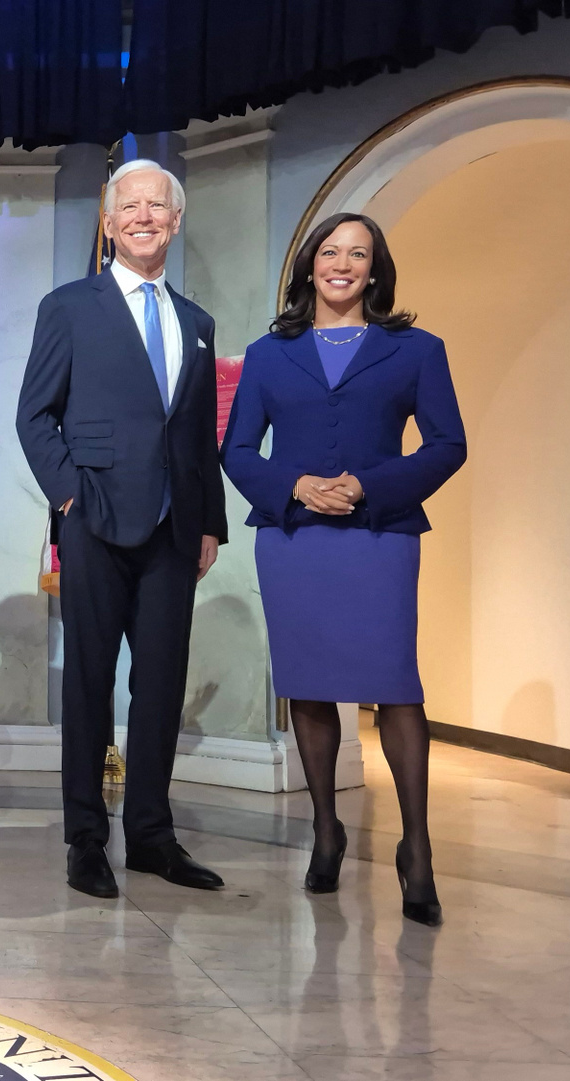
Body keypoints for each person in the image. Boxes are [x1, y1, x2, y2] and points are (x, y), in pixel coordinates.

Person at [221, 212, 464, 926]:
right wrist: (295, 485)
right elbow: (238, 451)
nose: (343, 264)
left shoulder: (417, 349)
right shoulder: (268, 354)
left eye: (359, 254)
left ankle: (416, 847)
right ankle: (326, 828)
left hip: (378, 536)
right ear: (309, 265)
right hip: (295, 539)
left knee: (397, 687)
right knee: (309, 684)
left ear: (375, 269)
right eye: (330, 251)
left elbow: (447, 444)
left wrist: (368, 485)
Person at [15, 159, 228, 900]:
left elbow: (198, 434)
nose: (144, 216)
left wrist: (210, 524)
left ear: (176, 221)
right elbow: (34, 416)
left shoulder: (197, 324)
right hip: (96, 521)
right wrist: (71, 497)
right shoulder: (70, 306)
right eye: (129, 207)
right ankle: (86, 838)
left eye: (157, 206)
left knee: (161, 684)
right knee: (90, 682)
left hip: (176, 530)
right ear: (108, 224)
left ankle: (151, 836)